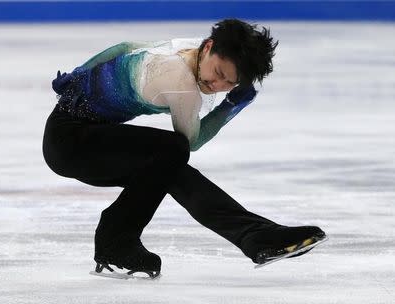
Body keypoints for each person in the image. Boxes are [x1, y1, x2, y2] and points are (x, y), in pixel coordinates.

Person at [42, 19, 326, 279]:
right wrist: (229, 107)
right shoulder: (180, 82)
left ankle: (256, 236)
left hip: (83, 135)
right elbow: (191, 142)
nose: (217, 85)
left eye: (231, 83)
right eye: (218, 73)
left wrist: (80, 74)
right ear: (210, 48)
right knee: (172, 150)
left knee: (169, 166)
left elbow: (124, 48)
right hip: (73, 145)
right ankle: (116, 238)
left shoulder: (189, 48)